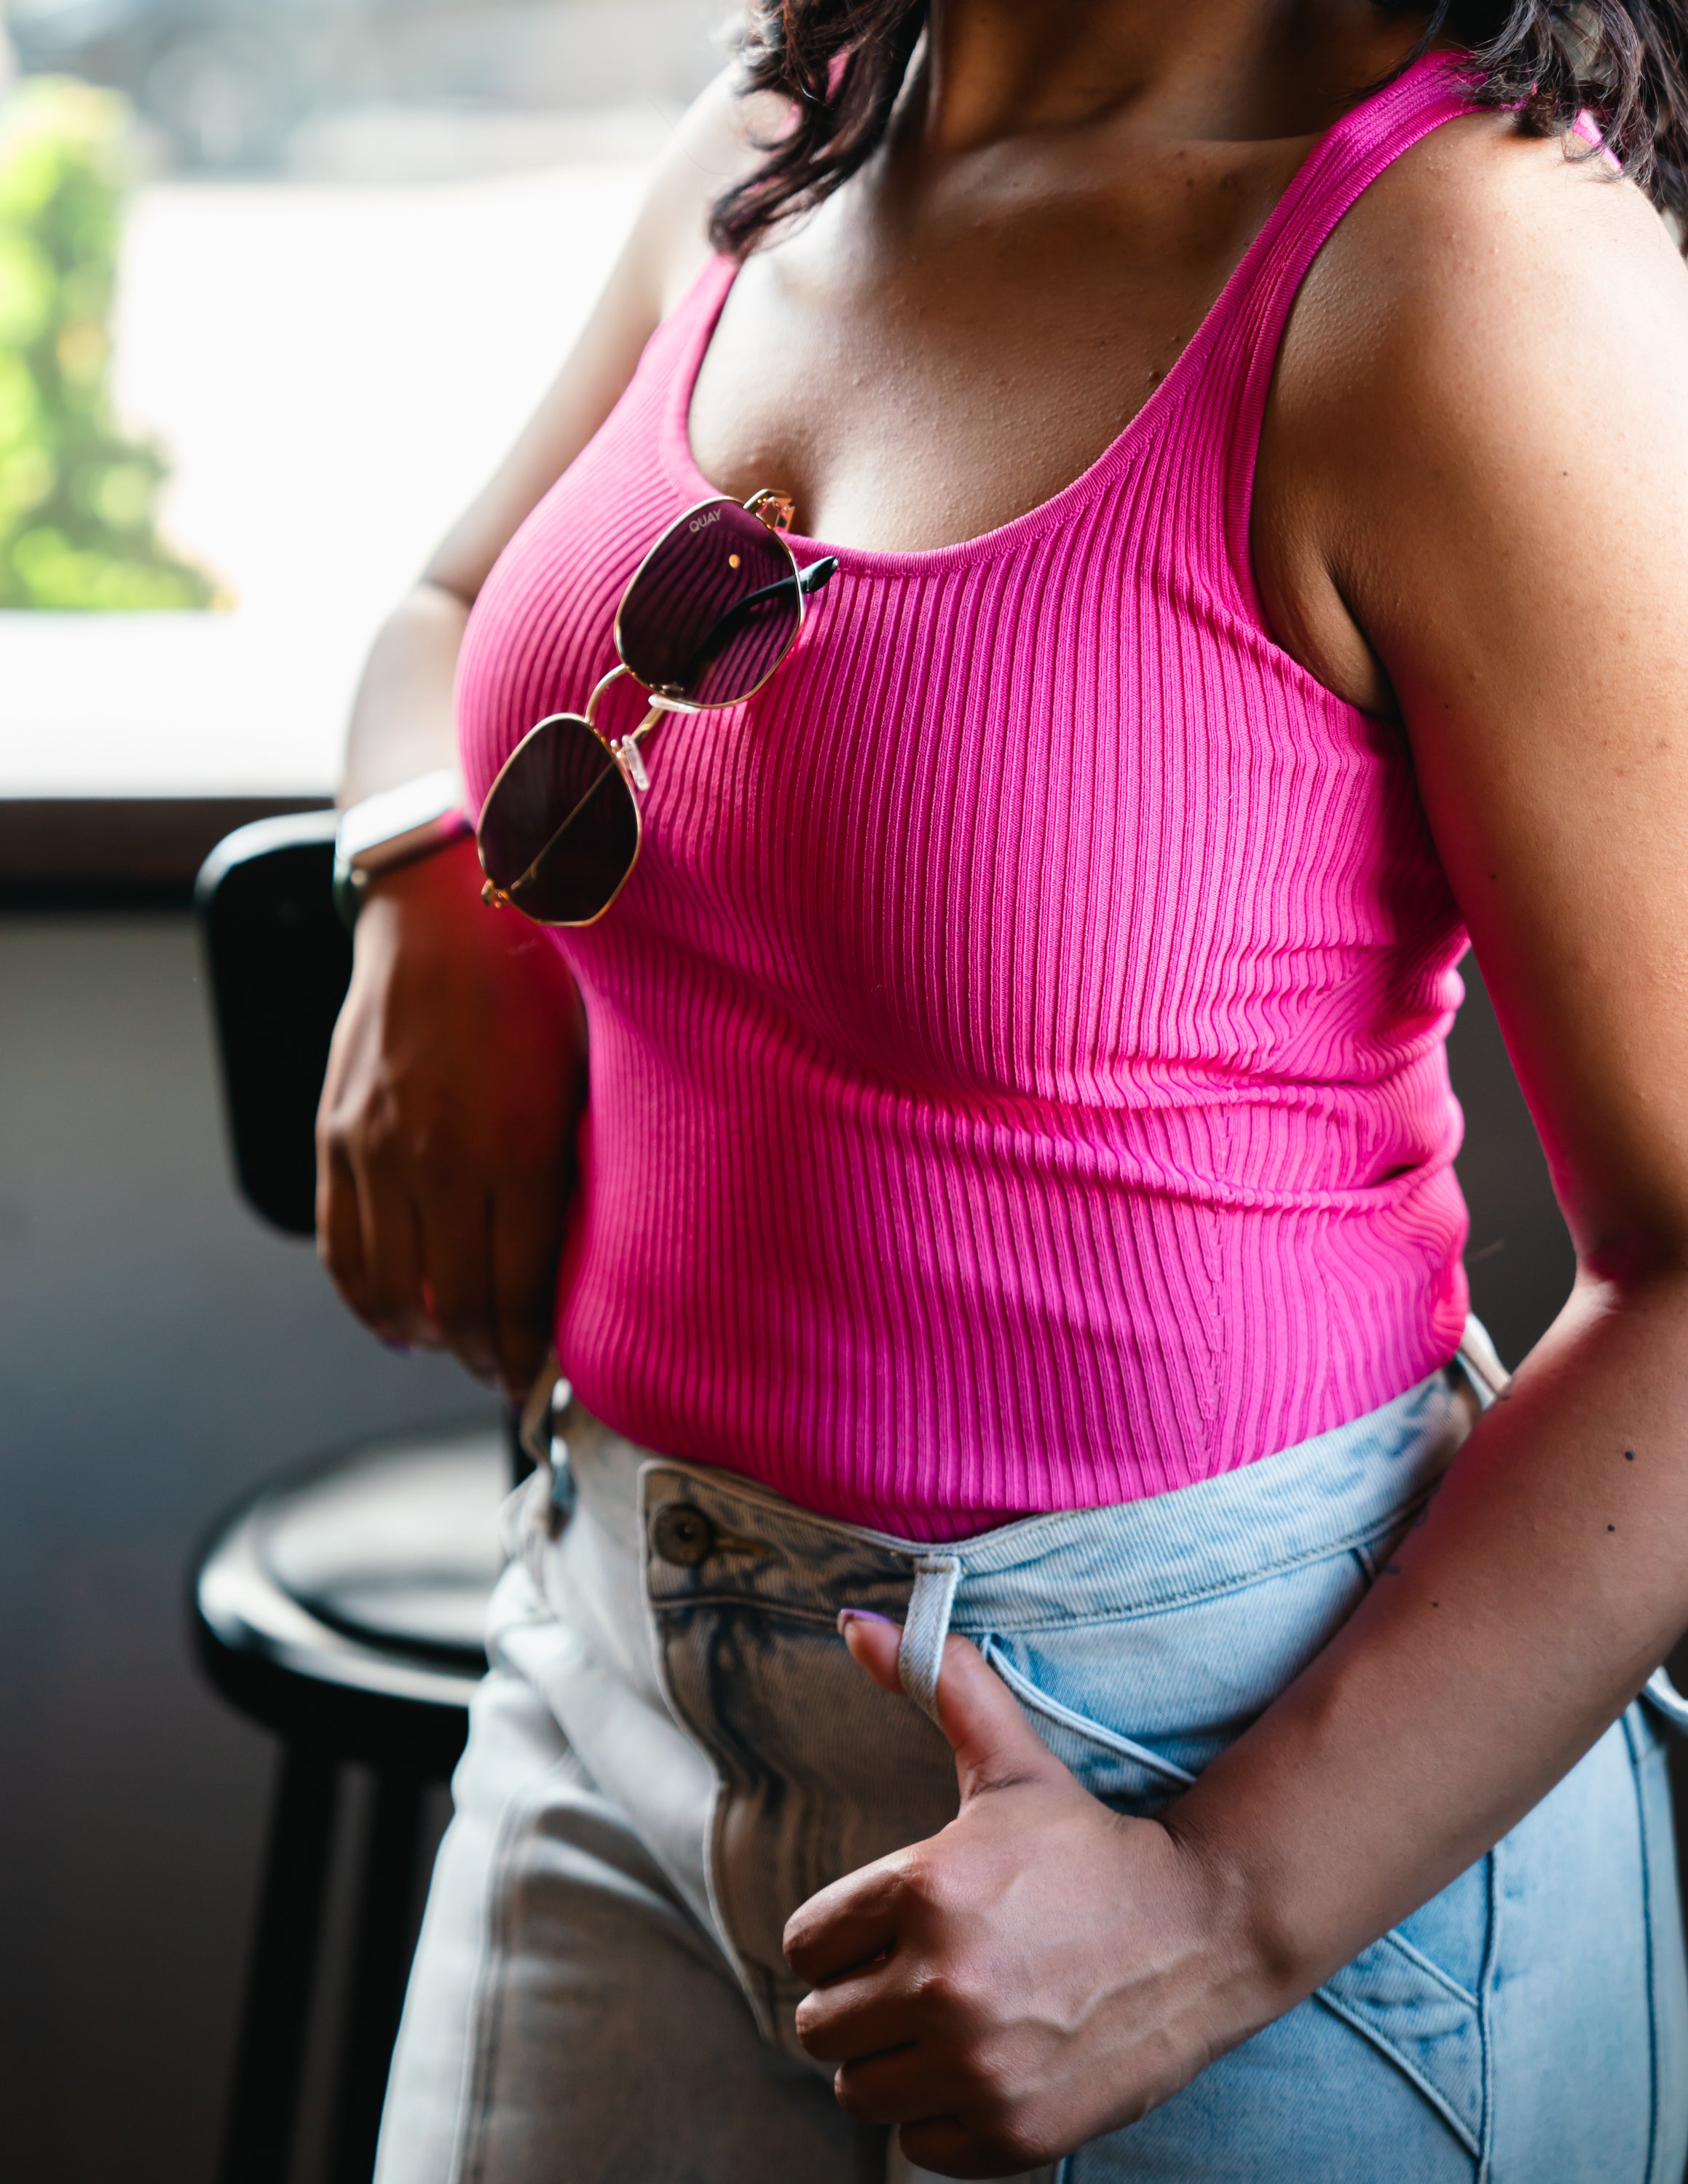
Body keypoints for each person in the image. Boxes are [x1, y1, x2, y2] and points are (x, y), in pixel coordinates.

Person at [316, 1, 1688, 2176]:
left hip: (1216, 1764)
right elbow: (449, 600)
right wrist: (427, 886)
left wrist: (1215, 1912)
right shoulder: (789, 132)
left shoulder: (1474, 272)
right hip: (611, 1666)